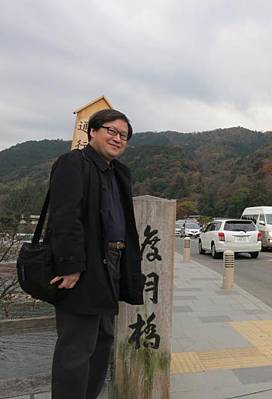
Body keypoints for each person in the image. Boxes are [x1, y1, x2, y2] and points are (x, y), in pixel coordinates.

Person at [48, 109, 145, 398]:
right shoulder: (73, 163)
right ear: (92, 131)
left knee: (103, 341)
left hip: (111, 265)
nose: (118, 139)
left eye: (123, 135)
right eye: (111, 131)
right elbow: (65, 217)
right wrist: (70, 265)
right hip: (83, 267)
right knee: (77, 346)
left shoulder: (118, 172)